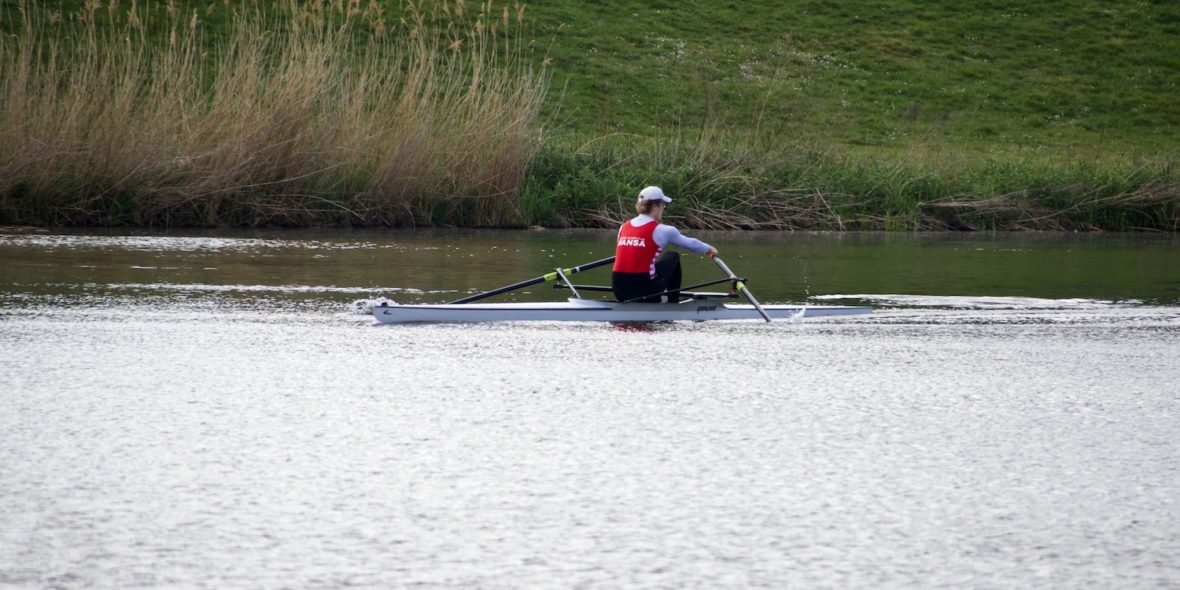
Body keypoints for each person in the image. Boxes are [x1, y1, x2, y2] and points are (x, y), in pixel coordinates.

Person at [612, 186, 718, 303]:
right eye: (663, 204)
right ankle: (673, 303)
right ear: (654, 206)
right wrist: (709, 249)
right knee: (673, 257)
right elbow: (690, 244)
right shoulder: (664, 230)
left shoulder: (623, 227)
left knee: (650, 264)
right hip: (645, 292)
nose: (663, 208)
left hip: (619, 290)